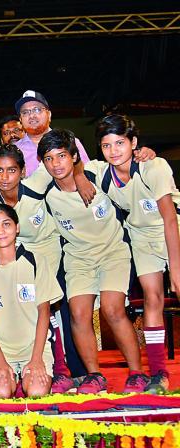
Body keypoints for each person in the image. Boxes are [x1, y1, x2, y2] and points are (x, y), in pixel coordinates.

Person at [39, 129, 146, 393]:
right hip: (78, 258)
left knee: (112, 309)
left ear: (75, 156)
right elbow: (13, 187)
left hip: (113, 252)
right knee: (78, 313)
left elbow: (129, 164)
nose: (56, 164)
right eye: (49, 159)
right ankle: (94, 375)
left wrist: (146, 154)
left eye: (62, 156)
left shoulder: (97, 172)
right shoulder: (45, 193)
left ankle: (137, 373)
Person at [0, 145, 85, 389]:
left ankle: (62, 369)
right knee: (14, 311)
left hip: (46, 256)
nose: (5, 177)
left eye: (11, 170)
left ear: (23, 171)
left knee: (56, 315)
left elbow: (63, 164)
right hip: (8, 257)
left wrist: (79, 176)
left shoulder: (37, 185)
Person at [85, 114, 180, 392]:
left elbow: (169, 219)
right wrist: (80, 180)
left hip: (173, 228)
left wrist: (176, 268)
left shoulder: (154, 166)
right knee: (153, 298)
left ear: (133, 143)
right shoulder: (101, 172)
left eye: (120, 143)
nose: (113, 151)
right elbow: (72, 166)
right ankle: (159, 373)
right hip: (140, 237)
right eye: (106, 146)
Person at [0, 205, 62, 398]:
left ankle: (37, 368)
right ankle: (5, 370)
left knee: (37, 392)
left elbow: (44, 313)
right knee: (0, 392)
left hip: (34, 346)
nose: (0, 231)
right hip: (0, 349)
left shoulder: (37, 261)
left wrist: (37, 358)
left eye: (6, 224)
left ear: (17, 227)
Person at [14, 90, 90, 176]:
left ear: (49, 114)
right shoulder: (15, 151)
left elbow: (88, 174)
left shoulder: (70, 142)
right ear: (20, 119)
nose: (31, 116)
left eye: (37, 110)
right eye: (25, 112)